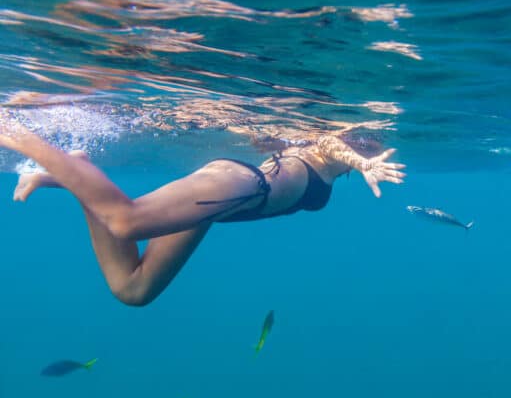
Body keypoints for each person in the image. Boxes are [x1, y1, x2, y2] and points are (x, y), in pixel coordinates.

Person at [0, 122, 405, 306]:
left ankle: (76, 170)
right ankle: (15, 131)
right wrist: (364, 162)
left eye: (375, 144)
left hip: (222, 205)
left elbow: (296, 145)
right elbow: (328, 141)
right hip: (240, 186)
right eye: (369, 142)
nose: (374, 145)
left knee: (133, 290)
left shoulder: (332, 162)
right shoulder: (334, 146)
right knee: (125, 220)